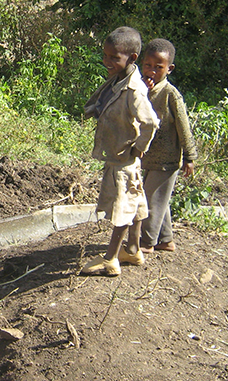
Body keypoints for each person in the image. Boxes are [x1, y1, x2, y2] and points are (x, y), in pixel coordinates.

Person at [82, 27, 159, 276]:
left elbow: (150, 122)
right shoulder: (119, 80)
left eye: (114, 57)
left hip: (124, 158)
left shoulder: (134, 90)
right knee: (135, 202)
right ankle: (134, 249)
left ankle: (111, 259)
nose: (107, 62)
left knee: (122, 207)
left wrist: (139, 147)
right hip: (119, 155)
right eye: (105, 56)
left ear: (132, 58)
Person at [139, 38, 197, 253]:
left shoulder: (170, 94)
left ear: (169, 69)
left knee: (151, 200)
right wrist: (142, 92)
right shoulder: (142, 88)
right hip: (150, 157)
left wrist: (190, 157)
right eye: (148, 65)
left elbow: (184, 126)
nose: (152, 71)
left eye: (158, 67)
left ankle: (146, 242)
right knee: (158, 198)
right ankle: (165, 240)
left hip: (167, 158)